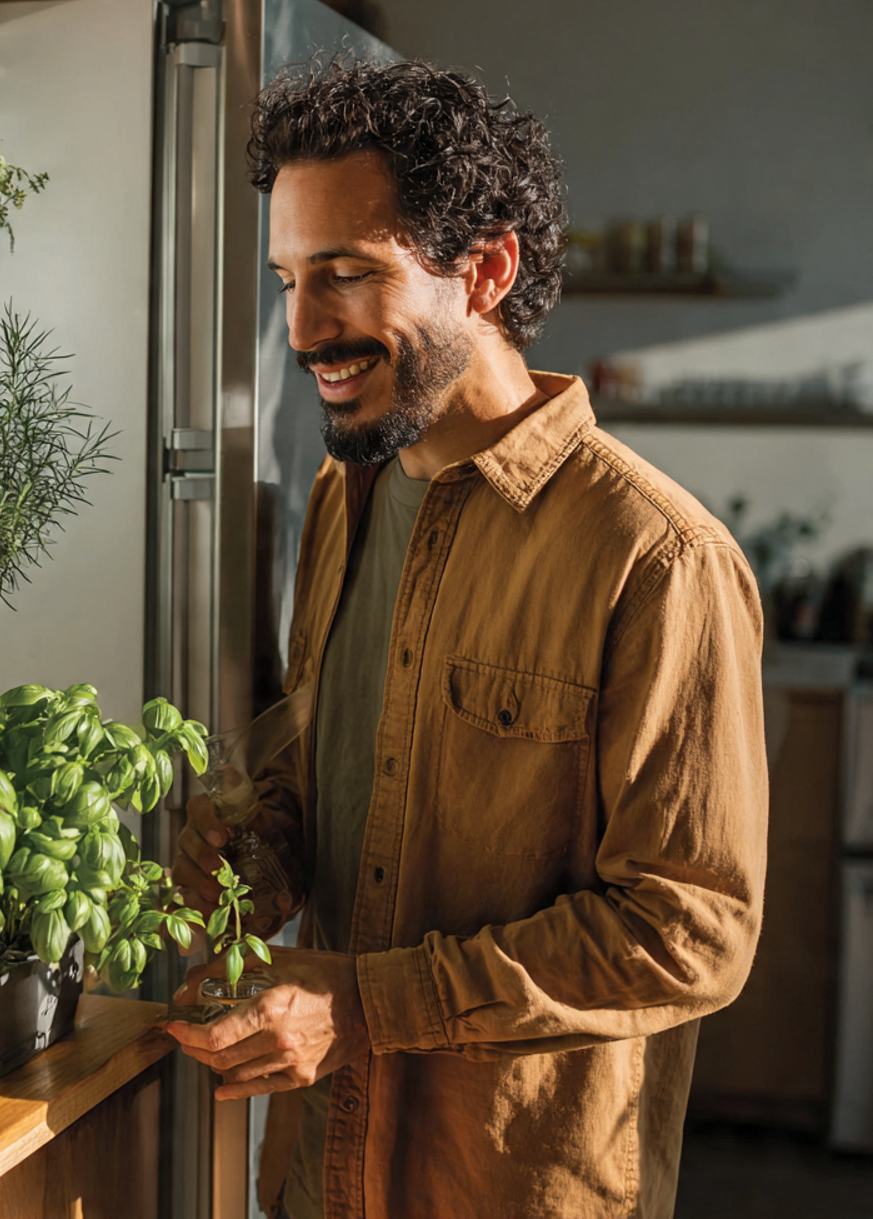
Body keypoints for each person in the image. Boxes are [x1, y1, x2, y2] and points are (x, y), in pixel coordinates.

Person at [166, 60, 768, 1219]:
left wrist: (362, 1004)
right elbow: (319, 756)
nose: (302, 329)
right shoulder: (348, 498)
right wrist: (236, 865)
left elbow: (689, 928)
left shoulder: (656, 558)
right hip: (315, 1174)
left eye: (345, 275)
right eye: (289, 278)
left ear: (482, 272)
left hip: (505, 1187)